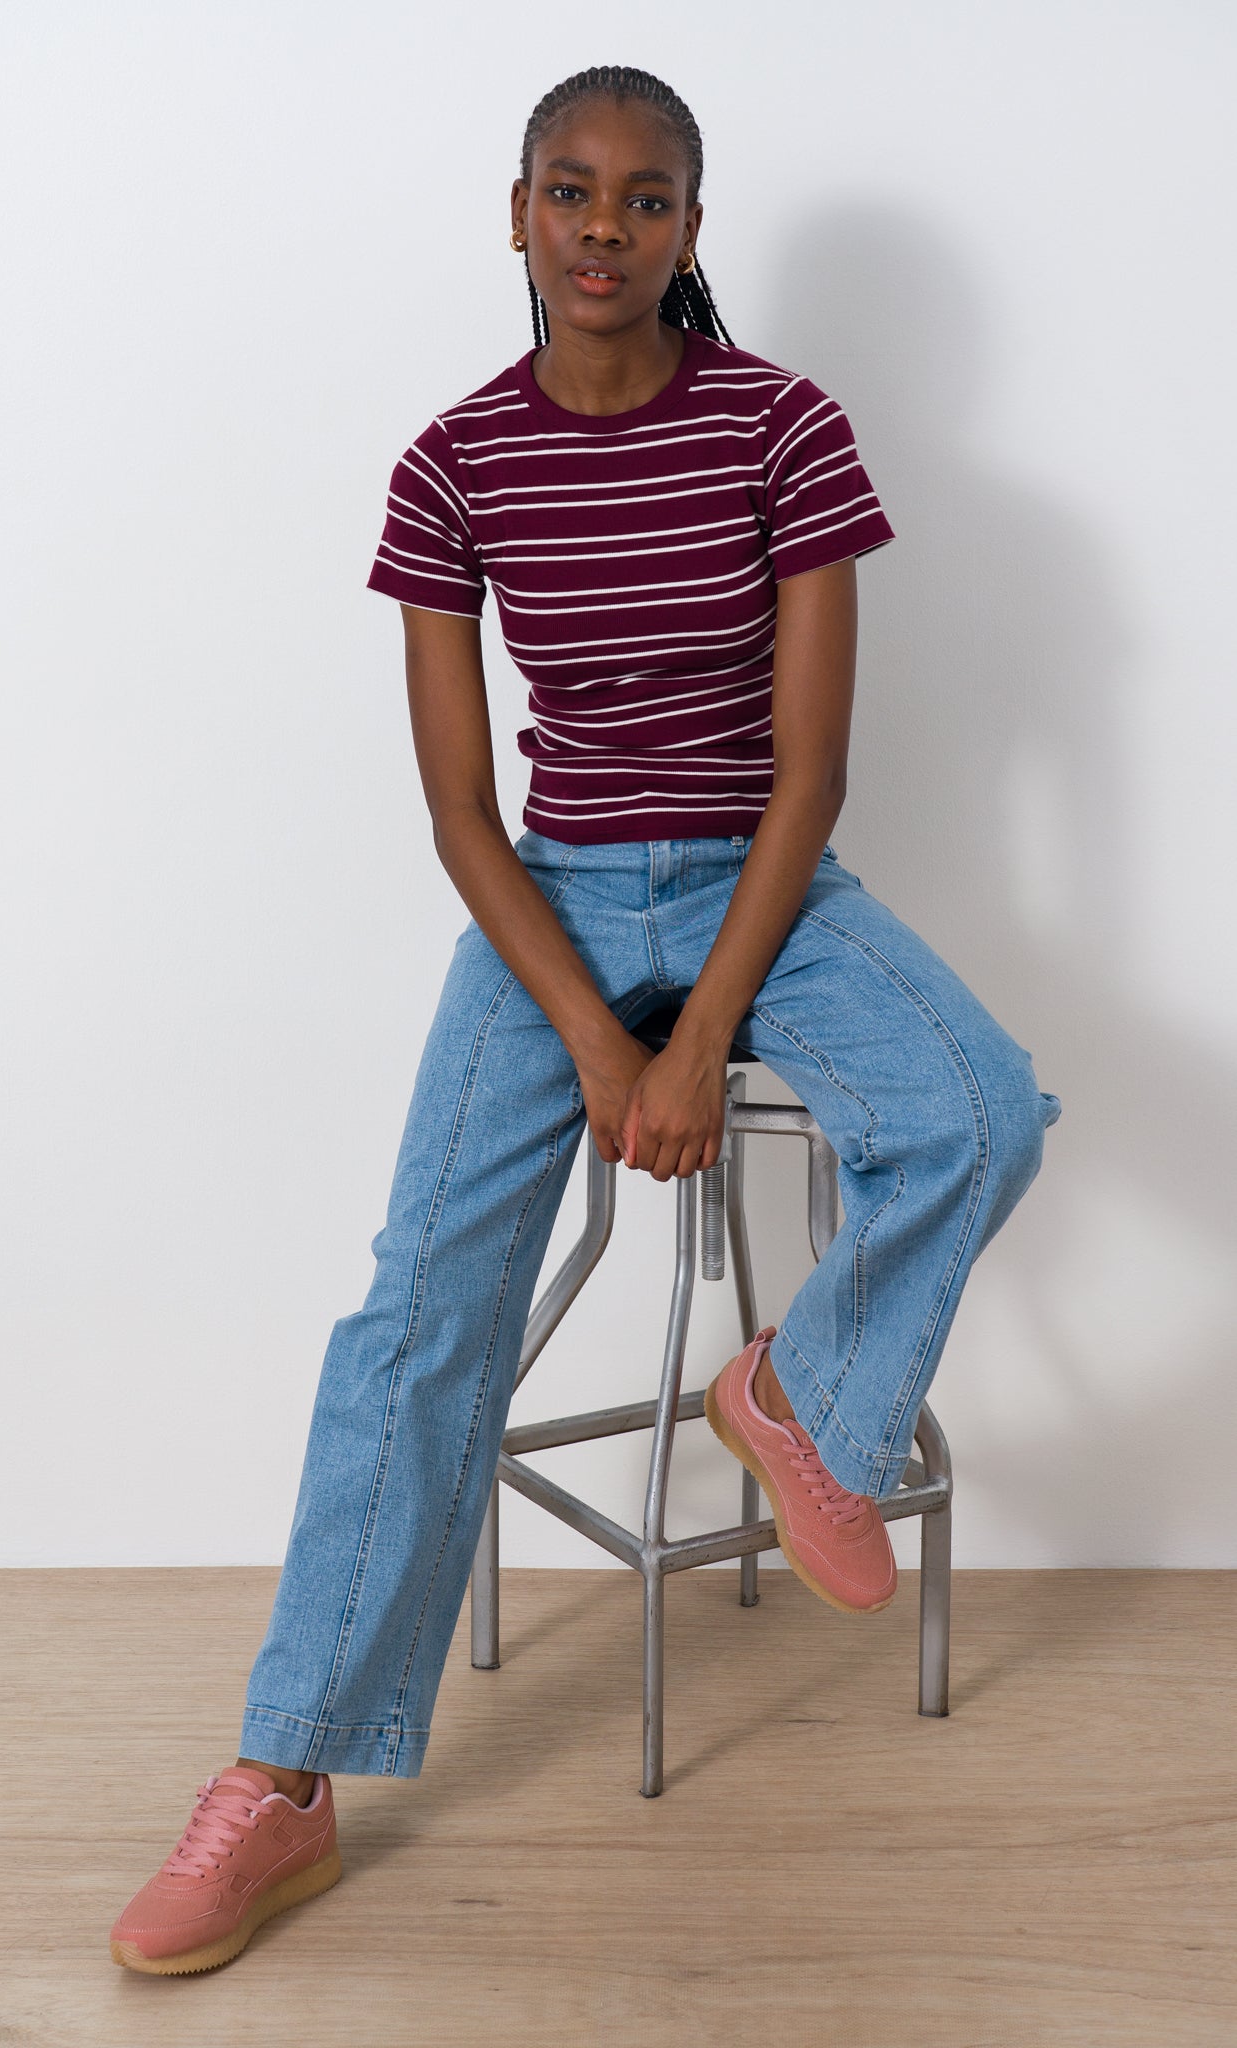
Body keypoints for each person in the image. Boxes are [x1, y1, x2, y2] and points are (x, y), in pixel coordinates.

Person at [109, 63, 1062, 1976]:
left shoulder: (782, 428)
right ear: (518, 215)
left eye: (644, 196)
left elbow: (808, 777)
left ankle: (800, 1399)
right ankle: (282, 1784)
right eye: (570, 190)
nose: (604, 226)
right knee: (417, 1313)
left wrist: (699, 1038)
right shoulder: (453, 462)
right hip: (545, 897)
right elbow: (465, 817)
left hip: (760, 881)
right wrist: (605, 1042)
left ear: (692, 226)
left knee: (981, 1107)